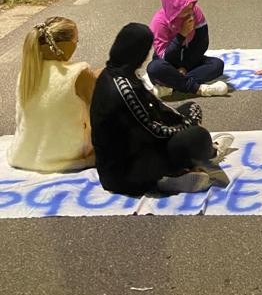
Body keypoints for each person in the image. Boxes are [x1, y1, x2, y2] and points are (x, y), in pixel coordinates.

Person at [91, 23, 231, 196]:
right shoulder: (125, 88)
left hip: (132, 153)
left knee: (190, 109)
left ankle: (182, 168)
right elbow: (155, 130)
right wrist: (187, 126)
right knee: (197, 135)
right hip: (128, 174)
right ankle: (176, 171)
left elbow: (153, 109)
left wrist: (180, 119)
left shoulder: (112, 73)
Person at [8, 17, 97, 173]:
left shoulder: (27, 74)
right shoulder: (79, 74)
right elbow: (98, 114)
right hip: (67, 158)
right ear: (67, 45)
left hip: (24, 156)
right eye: (77, 41)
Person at [147, 0, 228, 96]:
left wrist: (185, 67)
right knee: (154, 68)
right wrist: (181, 35)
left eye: (191, 8)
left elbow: (202, 43)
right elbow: (166, 57)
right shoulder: (159, 22)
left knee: (217, 64)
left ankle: (171, 87)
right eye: (185, 11)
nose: (191, 13)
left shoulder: (195, 12)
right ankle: (200, 89)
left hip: (189, 56)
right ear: (174, 11)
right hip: (167, 61)